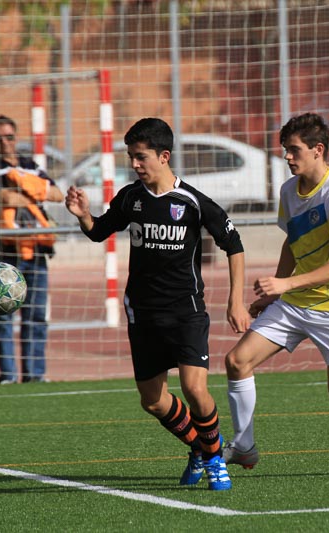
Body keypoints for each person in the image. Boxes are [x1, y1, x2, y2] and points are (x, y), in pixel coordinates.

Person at [65, 117, 249, 491]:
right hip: (143, 312)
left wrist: (236, 301)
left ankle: (215, 460)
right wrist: (83, 215)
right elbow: (99, 231)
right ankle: (199, 447)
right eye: (131, 157)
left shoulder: (193, 202)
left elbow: (234, 245)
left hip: (185, 311)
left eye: (141, 157)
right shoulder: (130, 198)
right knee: (152, 401)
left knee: (195, 388)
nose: (134, 164)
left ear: (164, 156)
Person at [223, 112, 329, 475]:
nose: (287, 156)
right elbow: (292, 242)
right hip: (298, 300)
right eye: (285, 149)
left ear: (318, 150)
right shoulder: (289, 190)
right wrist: (275, 293)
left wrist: (283, 285)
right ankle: (244, 445)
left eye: (294, 150)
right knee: (237, 361)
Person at [0, 114, 63, 384]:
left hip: (37, 251)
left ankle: (35, 375)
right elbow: (4, 196)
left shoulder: (30, 165)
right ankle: (8, 376)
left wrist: (24, 184)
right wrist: (34, 190)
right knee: (4, 315)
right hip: (5, 255)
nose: (6, 142)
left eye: (10, 136)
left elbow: (57, 194)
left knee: (36, 315)